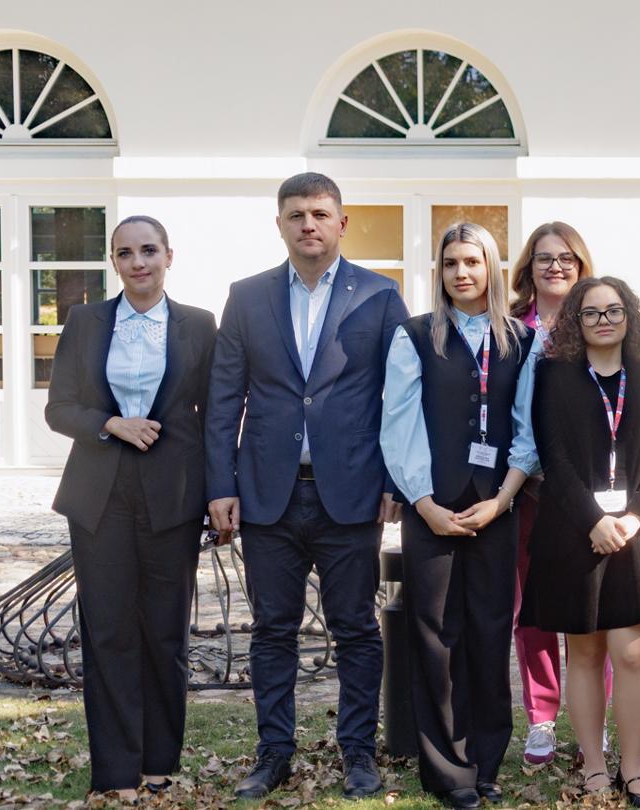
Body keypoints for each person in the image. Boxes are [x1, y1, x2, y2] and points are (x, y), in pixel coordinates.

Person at [207, 173, 407, 800]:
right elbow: (223, 400)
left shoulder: (379, 296)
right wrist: (220, 485)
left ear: (342, 222)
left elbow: (401, 399)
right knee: (272, 630)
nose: (308, 225)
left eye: (320, 213)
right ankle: (273, 754)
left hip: (349, 492)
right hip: (268, 492)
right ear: (280, 224)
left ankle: (357, 754)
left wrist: (395, 481)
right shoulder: (246, 297)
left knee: (354, 628)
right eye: (295, 215)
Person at [46, 216, 215, 803]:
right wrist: (109, 423)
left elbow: (215, 417)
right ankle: (116, 771)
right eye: (125, 253)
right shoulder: (87, 321)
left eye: (148, 251)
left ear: (169, 254)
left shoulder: (199, 324)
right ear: (114, 263)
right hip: (100, 498)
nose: (138, 262)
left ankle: (160, 762)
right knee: (110, 632)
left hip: (174, 497)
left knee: (164, 634)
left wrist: (221, 492)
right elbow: (58, 408)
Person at [380, 222, 538, 809]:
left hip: (496, 507)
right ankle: (449, 771)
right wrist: (424, 504)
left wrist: (503, 500)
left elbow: (527, 428)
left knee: (491, 633)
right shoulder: (415, 336)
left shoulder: (522, 340)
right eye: (450, 263)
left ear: (491, 268)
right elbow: (398, 425)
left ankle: (488, 761)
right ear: (439, 272)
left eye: (472, 261)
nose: (461, 273)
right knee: (437, 636)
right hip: (431, 507)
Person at [522, 276, 640, 805]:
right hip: (573, 531)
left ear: (629, 316)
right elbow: (553, 456)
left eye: (613, 310)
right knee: (584, 653)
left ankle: (632, 768)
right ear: (575, 322)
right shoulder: (554, 375)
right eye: (591, 313)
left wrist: (635, 517)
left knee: (631, 654)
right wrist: (593, 520)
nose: (603, 320)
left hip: (636, 533)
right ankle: (593, 764)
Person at [505, 221, 611, 766]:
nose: (555, 266)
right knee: (535, 610)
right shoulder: (508, 327)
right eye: (544, 258)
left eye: (567, 258)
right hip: (526, 489)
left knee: (594, 605)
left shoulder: (597, 320)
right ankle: (542, 717)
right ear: (528, 267)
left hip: (588, 487)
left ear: (581, 264)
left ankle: (595, 717)